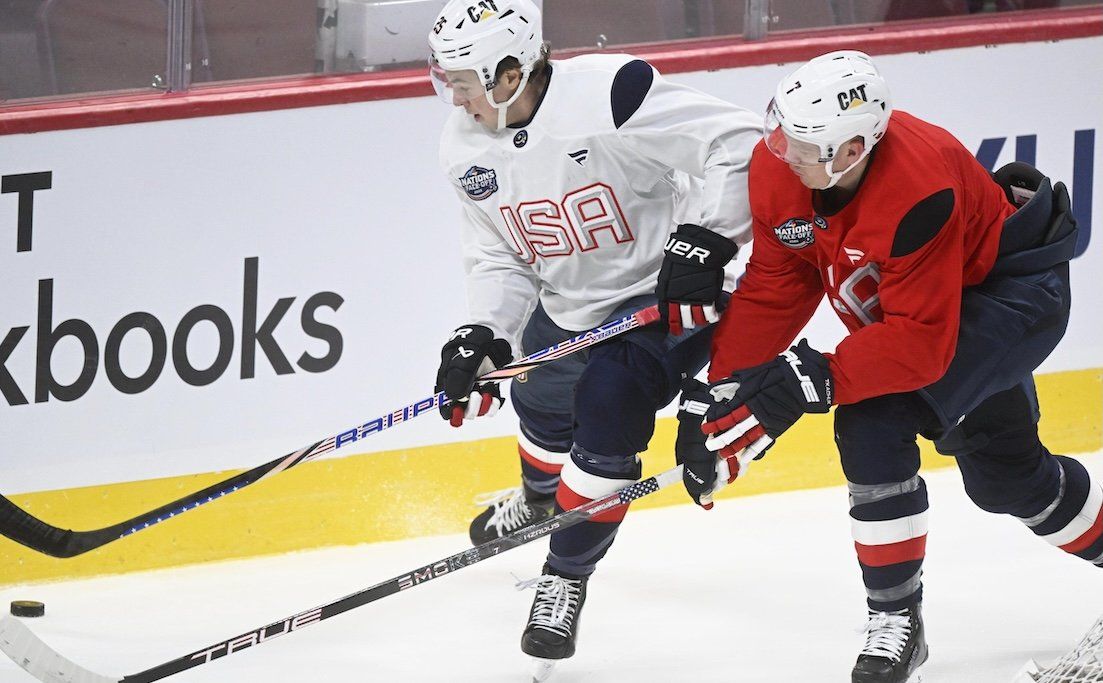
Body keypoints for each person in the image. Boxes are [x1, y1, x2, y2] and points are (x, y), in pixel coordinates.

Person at [674, 50, 1097, 683]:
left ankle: (896, 623)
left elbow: (920, 343)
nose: (780, 149)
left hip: (1009, 301)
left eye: (803, 142)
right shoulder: (781, 164)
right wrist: (722, 391)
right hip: (935, 312)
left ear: (851, 151)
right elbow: (778, 282)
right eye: (780, 128)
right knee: (1007, 480)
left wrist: (808, 377)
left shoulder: (916, 187)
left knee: (871, 418)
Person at [426, 0, 761, 672]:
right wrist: (485, 330)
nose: (451, 95)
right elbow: (500, 257)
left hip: (658, 301)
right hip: (569, 304)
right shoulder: (462, 144)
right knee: (542, 405)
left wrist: (707, 238)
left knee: (606, 409)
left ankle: (564, 575)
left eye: (462, 79)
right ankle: (536, 498)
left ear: (510, 72)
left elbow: (739, 139)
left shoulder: (610, 93)